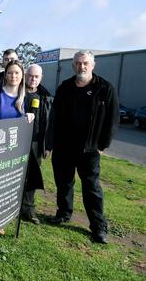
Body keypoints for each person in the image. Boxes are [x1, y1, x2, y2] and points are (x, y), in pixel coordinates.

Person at [48, 50, 118, 244]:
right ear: (73, 65)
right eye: (78, 63)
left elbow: (112, 119)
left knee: (92, 188)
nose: (82, 66)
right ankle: (63, 213)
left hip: (89, 149)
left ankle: (98, 227)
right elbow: (54, 117)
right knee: (64, 183)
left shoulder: (105, 88)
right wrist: (51, 142)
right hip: (64, 147)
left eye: (85, 63)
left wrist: (103, 145)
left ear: (93, 65)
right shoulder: (65, 87)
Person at [0, 59, 34, 235]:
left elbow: (31, 124)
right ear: (5, 75)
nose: (13, 76)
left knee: (10, 184)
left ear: (22, 76)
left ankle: (3, 218)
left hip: (16, 149)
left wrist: (30, 117)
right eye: (10, 72)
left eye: (17, 73)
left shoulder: (27, 98)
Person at [21, 64, 53, 225]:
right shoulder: (16, 92)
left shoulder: (46, 97)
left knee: (31, 177)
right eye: (30, 75)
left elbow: (50, 123)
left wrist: (48, 146)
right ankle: (7, 208)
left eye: (36, 77)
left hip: (35, 143)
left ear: (41, 78)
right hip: (17, 141)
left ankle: (28, 209)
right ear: (25, 75)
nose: (33, 79)